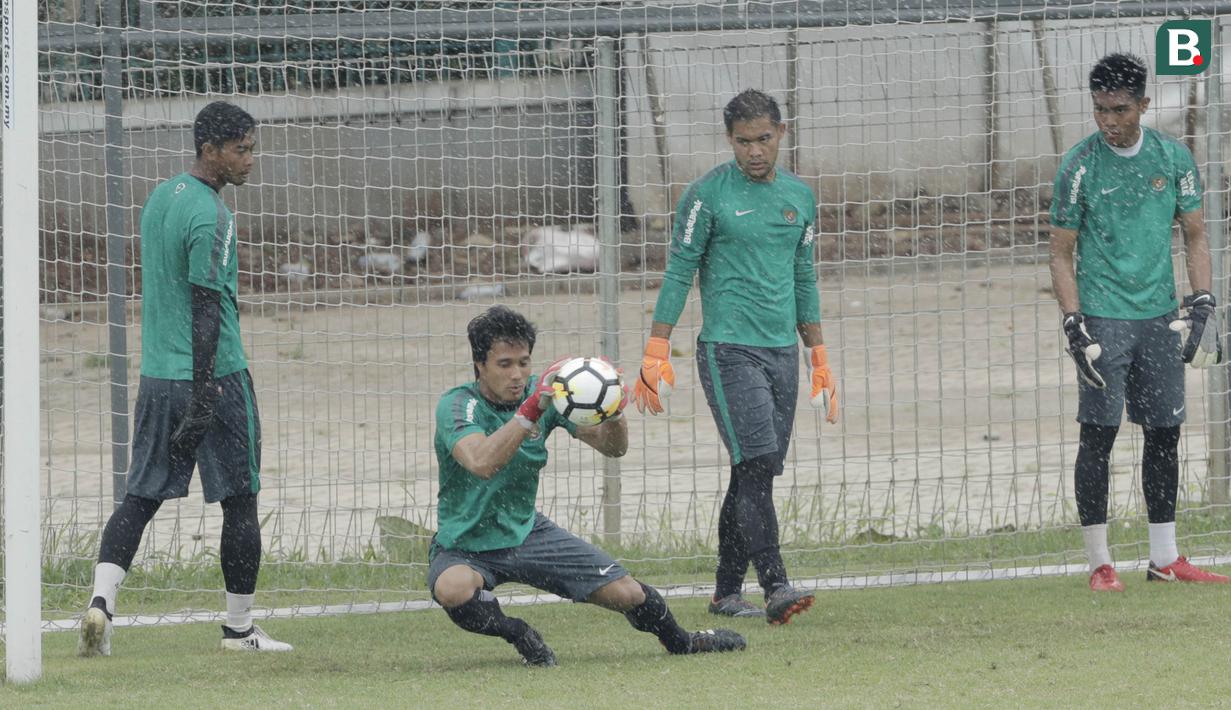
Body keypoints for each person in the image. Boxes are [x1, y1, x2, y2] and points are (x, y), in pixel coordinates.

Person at [78, 101, 292, 656]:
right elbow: (203, 308)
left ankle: (101, 604)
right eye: (241, 150)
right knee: (240, 500)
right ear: (209, 150)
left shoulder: (160, 197)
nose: (251, 160)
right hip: (214, 377)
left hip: (155, 378)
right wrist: (204, 395)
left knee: (140, 496)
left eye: (252, 148)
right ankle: (239, 630)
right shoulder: (212, 217)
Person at [430, 306, 746, 666]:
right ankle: (519, 634)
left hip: (527, 533)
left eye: (523, 362)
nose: (517, 374)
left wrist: (613, 411)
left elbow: (614, 448)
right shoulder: (458, 405)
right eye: (504, 364)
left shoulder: (548, 395)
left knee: (627, 594)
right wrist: (530, 410)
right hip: (466, 543)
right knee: (452, 588)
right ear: (479, 364)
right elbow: (482, 463)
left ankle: (682, 641)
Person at [633, 89, 839, 624]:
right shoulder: (707, 196)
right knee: (756, 463)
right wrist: (657, 346)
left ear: (781, 133)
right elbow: (680, 269)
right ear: (729, 140)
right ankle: (776, 585)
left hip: (782, 353)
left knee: (755, 472)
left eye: (763, 139)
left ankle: (726, 592)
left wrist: (818, 354)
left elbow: (803, 276)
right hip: (727, 351)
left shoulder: (800, 197)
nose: (754, 151)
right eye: (743, 142)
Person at [1049, 53, 1225, 592]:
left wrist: (1202, 302)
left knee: (1165, 435)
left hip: (1159, 317)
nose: (1108, 121)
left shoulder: (1173, 160)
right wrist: (1073, 321)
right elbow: (1060, 253)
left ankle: (1164, 558)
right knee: (1097, 437)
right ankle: (1100, 563)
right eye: (1100, 109)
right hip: (1104, 318)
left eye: (1120, 110)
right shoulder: (1079, 165)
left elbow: (1195, 234)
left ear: (1143, 106)